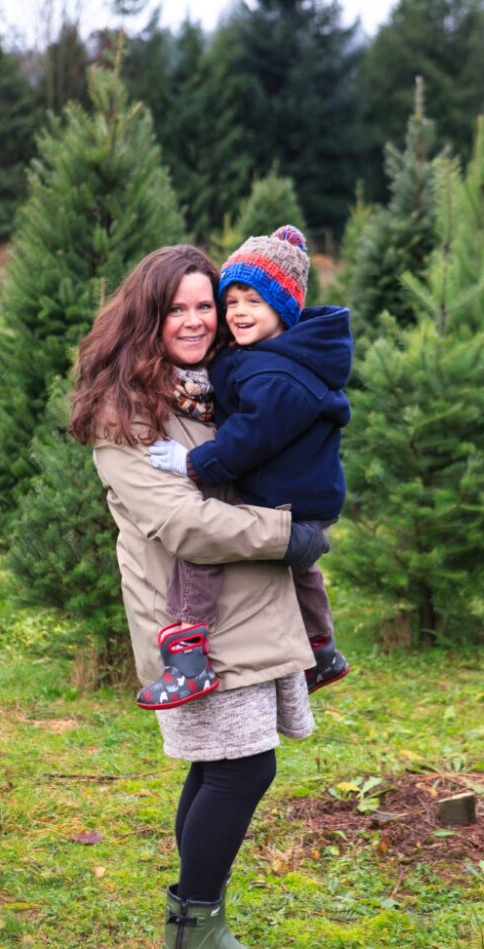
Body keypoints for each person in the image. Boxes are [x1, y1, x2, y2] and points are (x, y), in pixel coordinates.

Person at [69, 244, 328, 949]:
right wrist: (287, 533)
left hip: (250, 609)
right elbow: (182, 524)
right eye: (174, 308)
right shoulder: (123, 412)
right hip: (196, 630)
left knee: (226, 766)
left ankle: (203, 924)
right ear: (146, 317)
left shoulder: (216, 388)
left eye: (202, 306)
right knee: (241, 769)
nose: (192, 320)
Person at [142, 225, 352, 711]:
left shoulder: (277, 373)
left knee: (204, 547)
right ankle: (321, 648)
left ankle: (188, 660)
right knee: (302, 569)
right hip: (305, 494)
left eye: (253, 302)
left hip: (286, 495)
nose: (238, 313)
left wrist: (193, 463)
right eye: (231, 301)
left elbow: (251, 436)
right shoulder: (270, 355)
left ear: (283, 309)